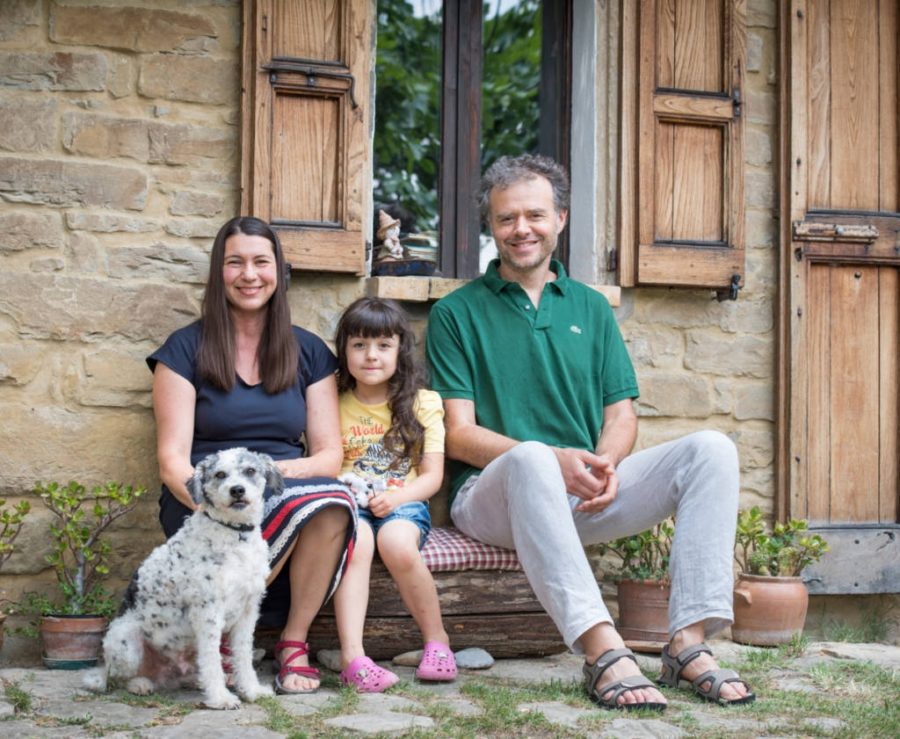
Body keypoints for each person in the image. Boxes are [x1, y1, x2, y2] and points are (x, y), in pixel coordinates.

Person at [425, 154, 755, 711]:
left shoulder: (591, 308)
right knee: (531, 457)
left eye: (534, 215)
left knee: (711, 450)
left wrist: (604, 464)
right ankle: (604, 651)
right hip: (490, 498)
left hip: (582, 492)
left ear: (560, 219)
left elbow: (620, 414)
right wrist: (554, 460)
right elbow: (458, 434)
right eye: (507, 218)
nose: (521, 229)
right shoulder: (456, 313)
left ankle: (687, 643)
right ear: (491, 225)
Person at [147, 216, 357, 695]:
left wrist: (265, 478)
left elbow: (328, 455)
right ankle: (221, 641)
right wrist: (219, 502)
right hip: (206, 499)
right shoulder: (183, 350)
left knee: (331, 501)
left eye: (261, 262)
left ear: (279, 271)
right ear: (218, 273)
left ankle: (293, 643)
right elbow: (172, 460)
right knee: (279, 504)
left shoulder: (308, 351)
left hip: (286, 488)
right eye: (235, 262)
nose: (249, 274)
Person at [331, 297, 457, 692]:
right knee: (358, 543)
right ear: (344, 350)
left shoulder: (423, 403)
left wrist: (399, 499)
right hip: (350, 505)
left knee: (397, 542)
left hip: (404, 503)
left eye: (383, 345)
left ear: (401, 350)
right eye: (359, 345)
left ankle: (437, 641)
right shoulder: (331, 403)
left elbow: (432, 477)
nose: (371, 356)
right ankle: (353, 657)